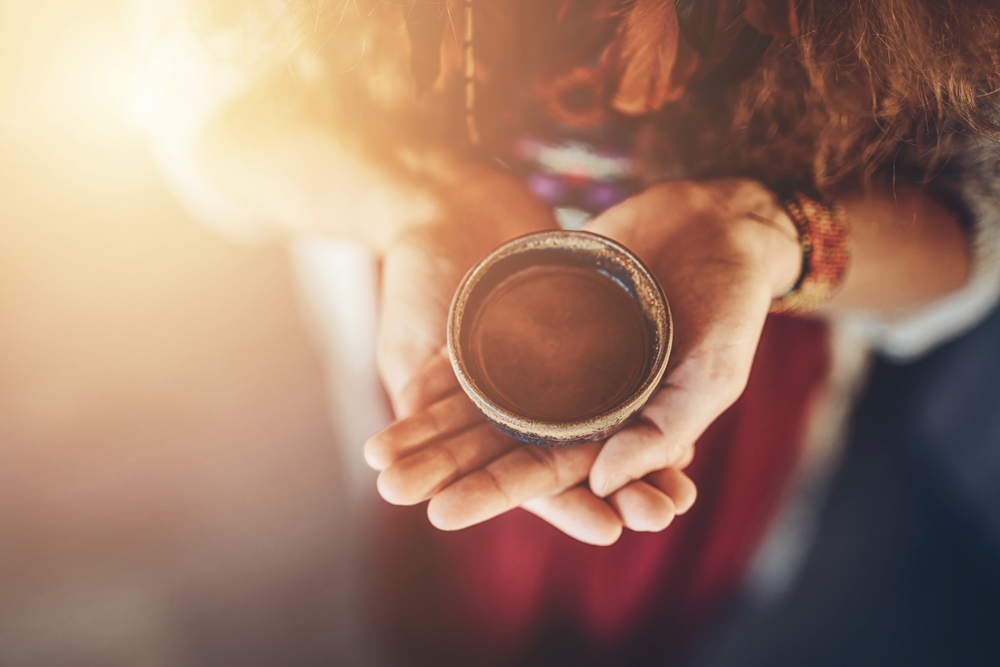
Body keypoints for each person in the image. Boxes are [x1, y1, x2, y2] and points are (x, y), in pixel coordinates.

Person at [131, 0, 1000, 664]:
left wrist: (769, 236)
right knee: (450, 582)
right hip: (424, 311)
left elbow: (976, 226)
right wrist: (411, 203)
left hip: (733, 367)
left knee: (676, 593)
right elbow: (193, 109)